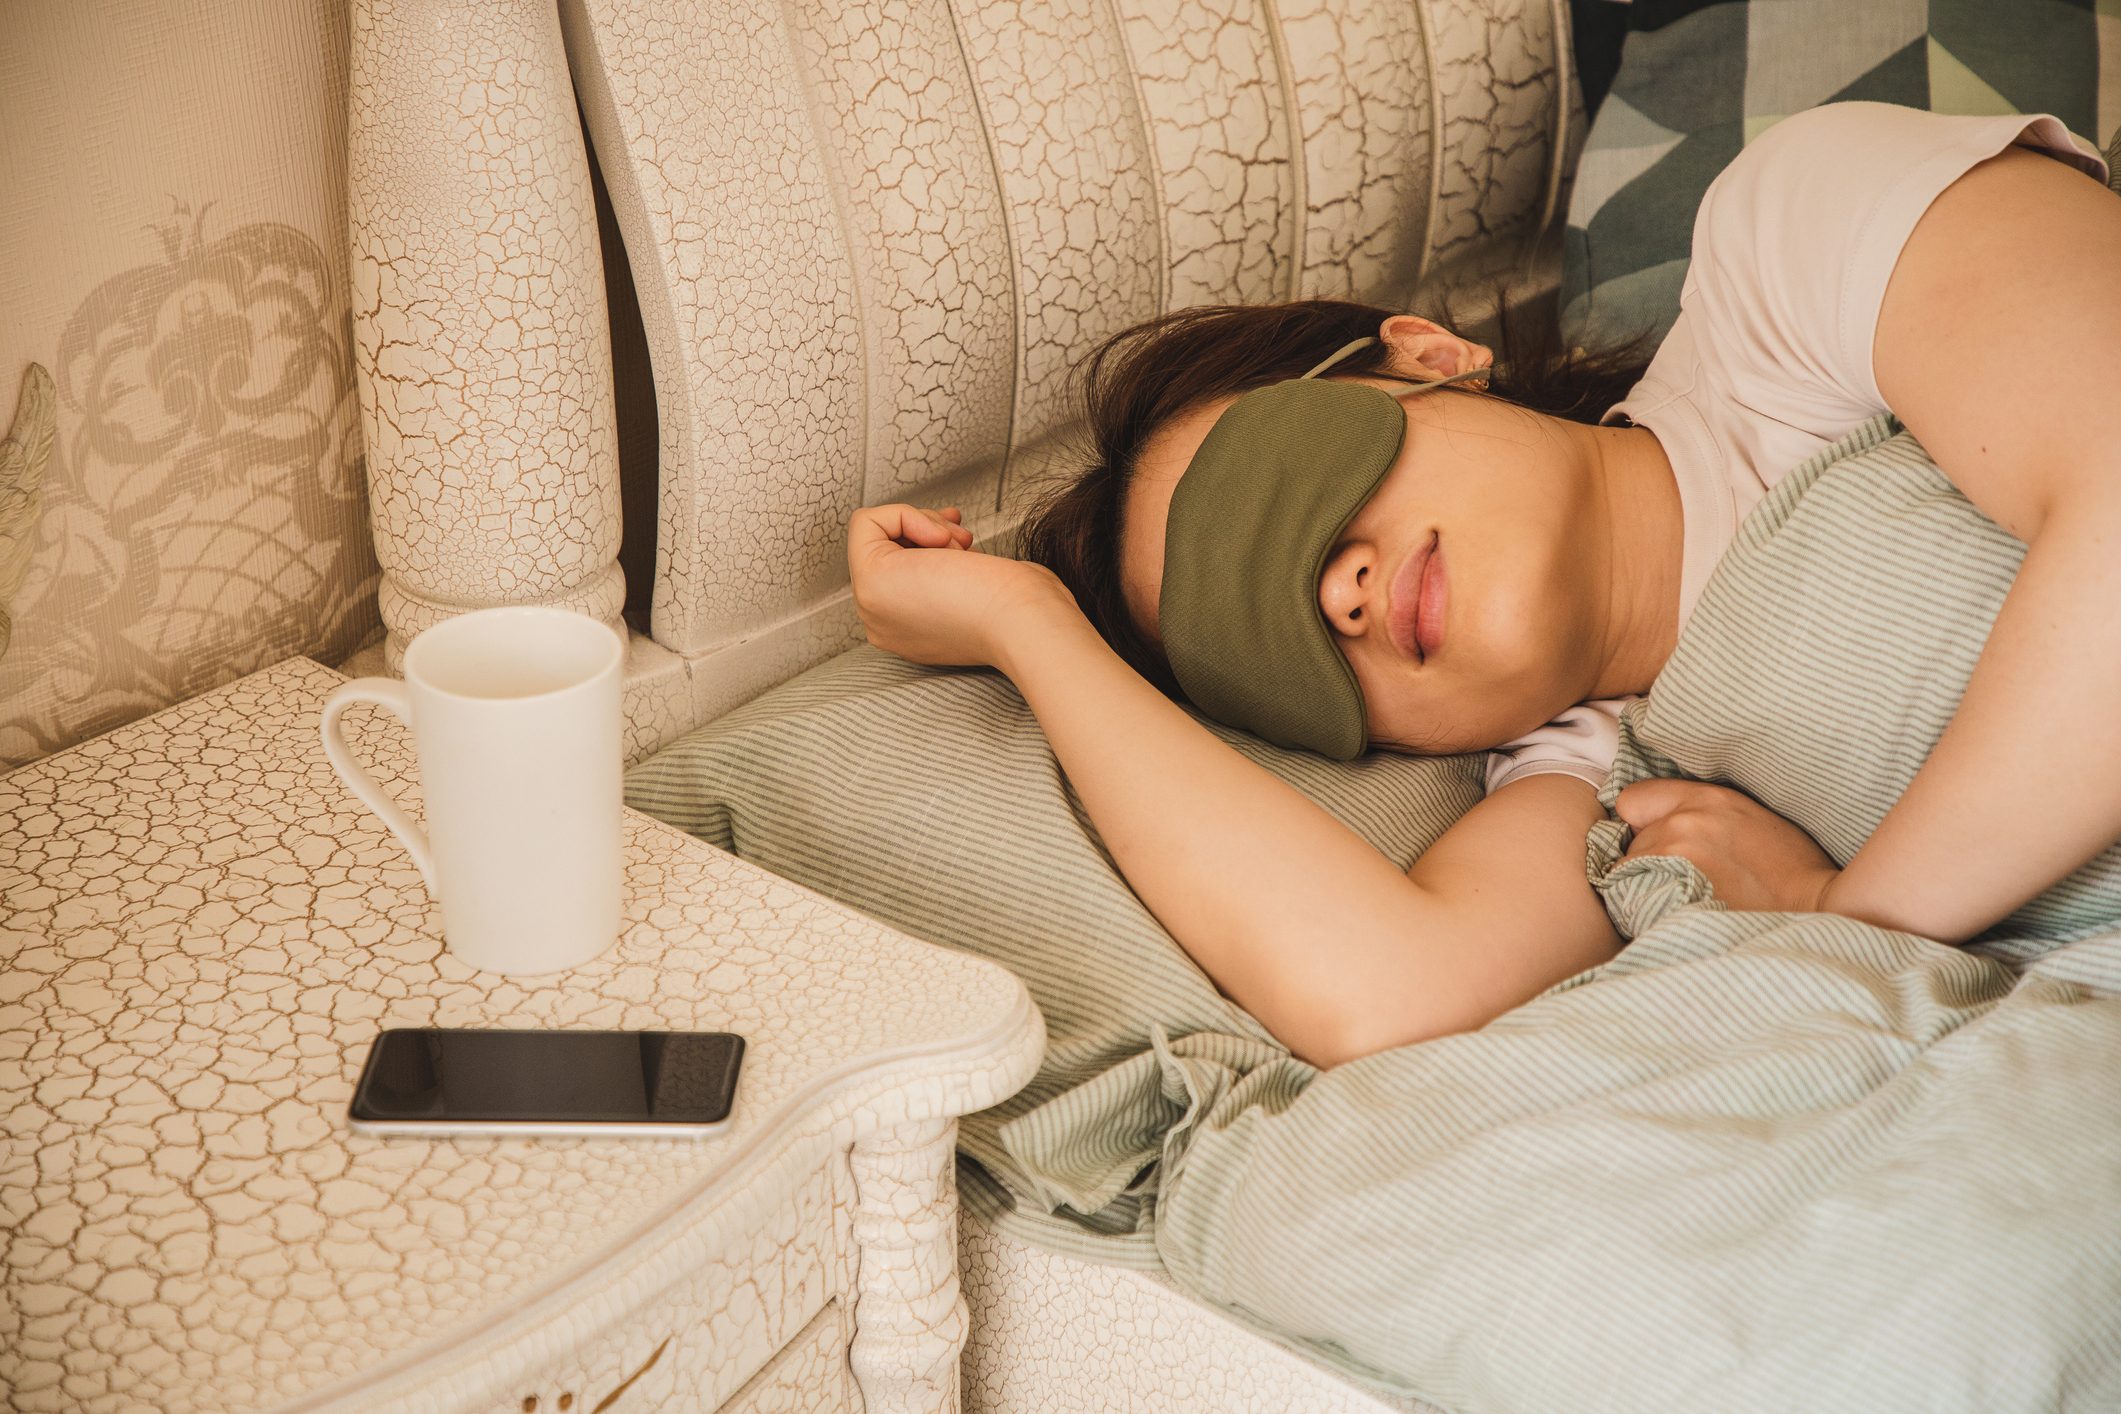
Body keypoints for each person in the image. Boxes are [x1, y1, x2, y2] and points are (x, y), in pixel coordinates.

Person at [845, 101, 2121, 1069]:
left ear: (1431, 355)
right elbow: (1385, 994)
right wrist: (1031, 629)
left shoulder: (1790, 262)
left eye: (1292, 486)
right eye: (1271, 645)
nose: (1335, 597)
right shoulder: (1600, 785)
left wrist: (1856, 910)